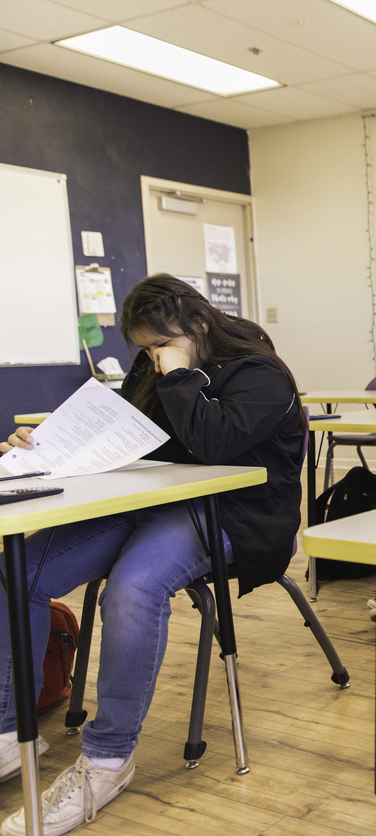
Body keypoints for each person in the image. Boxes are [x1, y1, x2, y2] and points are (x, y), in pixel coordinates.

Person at [0, 274, 304, 836]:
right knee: (13, 570)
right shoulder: (155, 365)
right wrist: (44, 443)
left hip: (234, 514)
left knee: (134, 587)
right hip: (151, 503)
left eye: (157, 345)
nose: (150, 358)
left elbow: (213, 442)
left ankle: (107, 759)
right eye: (142, 349)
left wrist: (181, 371)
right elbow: (127, 433)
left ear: (196, 325)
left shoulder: (261, 374)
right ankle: (6, 731)